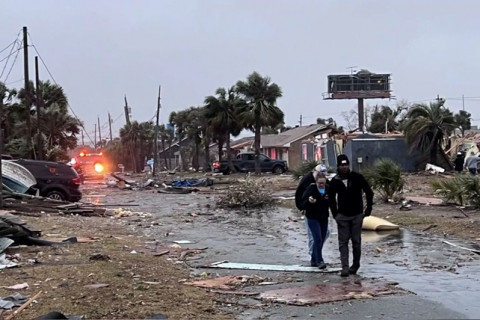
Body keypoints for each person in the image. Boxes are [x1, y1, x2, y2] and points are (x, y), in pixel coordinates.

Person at [328, 154, 374, 277]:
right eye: (342, 165)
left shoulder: (357, 177)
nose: (344, 167)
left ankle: (355, 265)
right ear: (338, 166)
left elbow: (369, 192)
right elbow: (331, 199)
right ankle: (345, 267)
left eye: (346, 164)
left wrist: (368, 208)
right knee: (343, 243)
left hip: (357, 215)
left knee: (356, 242)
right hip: (342, 216)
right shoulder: (335, 181)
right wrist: (335, 214)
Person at [295, 164, 329, 257]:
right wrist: (302, 207)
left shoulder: (324, 181)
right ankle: (313, 255)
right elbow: (299, 194)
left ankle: (316, 252)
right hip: (309, 210)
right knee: (312, 235)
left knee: (325, 233)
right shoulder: (307, 180)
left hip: (321, 212)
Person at [301, 172, 330, 268]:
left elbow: (332, 203)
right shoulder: (311, 189)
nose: (321, 185)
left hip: (324, 217)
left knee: (322, 237)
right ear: (316, 182)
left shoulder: (328, 189)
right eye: (319, 183)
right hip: (312, 217)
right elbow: (303, 202)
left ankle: (313, 259)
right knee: (317, 238)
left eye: (323, 183)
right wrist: (309, 201)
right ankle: (319, 260)